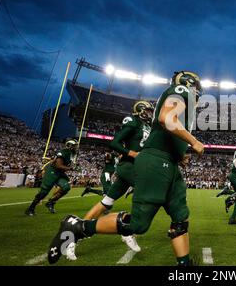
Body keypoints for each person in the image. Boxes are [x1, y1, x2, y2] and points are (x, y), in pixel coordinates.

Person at [47, 71, 204, 266]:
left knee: (180, 219)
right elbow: (165, 117)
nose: (199, 96)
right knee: (138, 224)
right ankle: (78, 226)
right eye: (198, 90)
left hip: (169, 165)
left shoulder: (183, 108)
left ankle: (185, 266)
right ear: (192, 85)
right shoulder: (181, 91)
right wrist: (194, 141)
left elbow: (167, 132)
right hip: (156, 163)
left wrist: (180, 156)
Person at [67, 101, 154, 260]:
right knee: (148, 194)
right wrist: (131, 153)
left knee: (106, 202)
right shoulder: (132, 121)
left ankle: (75, 235)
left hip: (137, 167)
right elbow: (114, 142)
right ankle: (128, 231)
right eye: (148, 110)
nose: (150, 113)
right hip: (130, 167)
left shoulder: (147, 126)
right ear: (140, 110)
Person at [25, 139, 78, 216]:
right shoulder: (63, 152)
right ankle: (31, 208)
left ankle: (51, 202)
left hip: (60, 173)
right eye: (75, 146)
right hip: (52, 171)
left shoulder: (71, 154)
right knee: (44, 192)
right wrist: (71, 168)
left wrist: (73, 166)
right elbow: (58, 165)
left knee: (66, 187)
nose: (76, 148)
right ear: (70, 146)